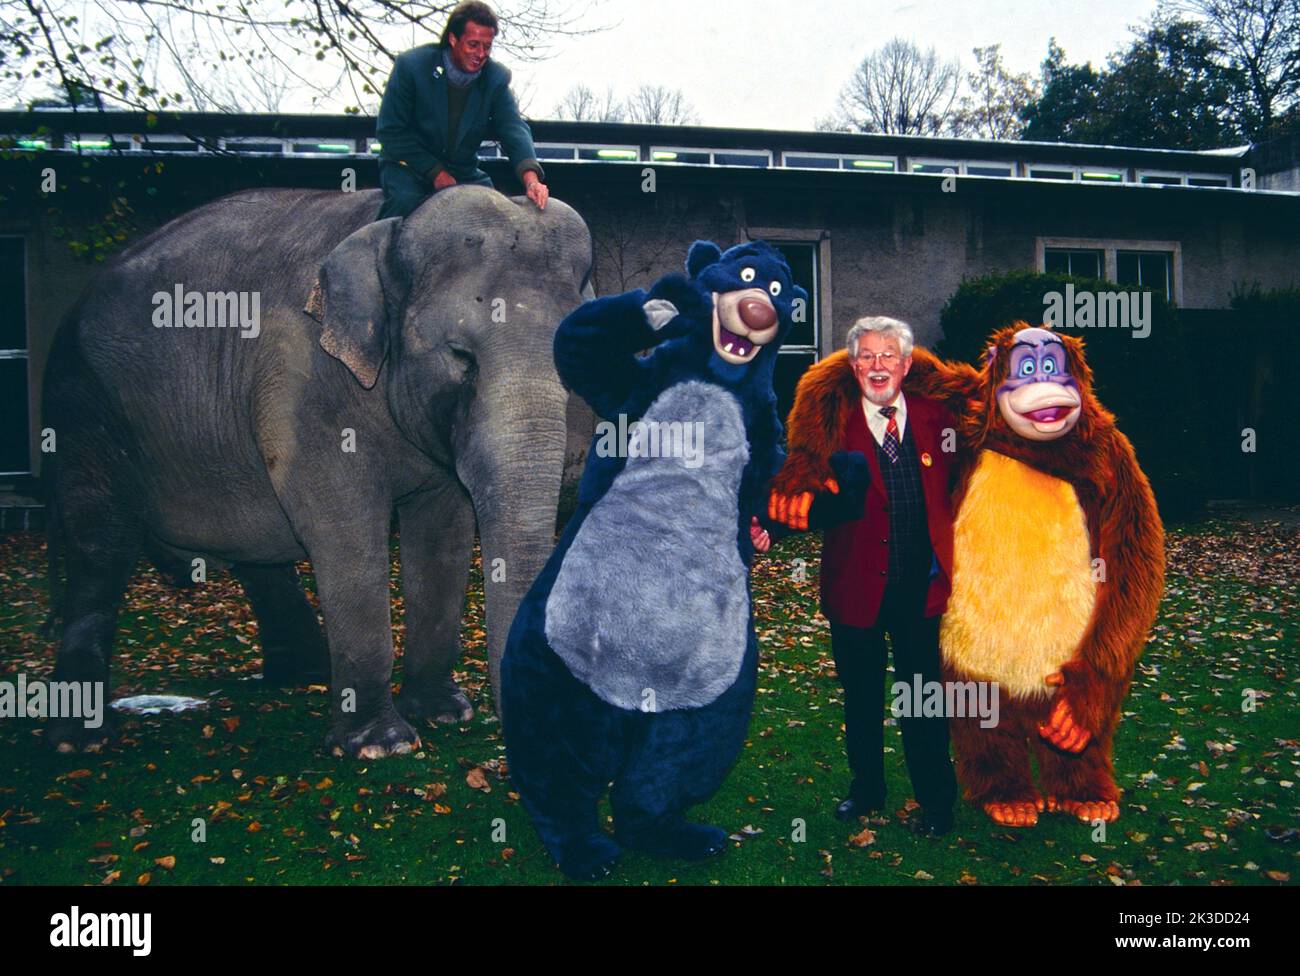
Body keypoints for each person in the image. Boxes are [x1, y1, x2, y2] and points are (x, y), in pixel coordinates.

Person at [769, 317, 959, 835]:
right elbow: (805, 490)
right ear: (854, 367)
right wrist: (773, 528)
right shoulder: (831, 424)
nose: (878, 366)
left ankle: (937, 802)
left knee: (923, 701)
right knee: (862, 699)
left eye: (888, 355)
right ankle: (867, 790)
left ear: (906, 363)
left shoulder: (938, 418)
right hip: (855, 589)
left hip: (921, 590)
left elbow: (967, 479)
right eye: (867, 357)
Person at [374, 1, 549, 219]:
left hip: (462, 172)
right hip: (408, 167)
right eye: (473, 44)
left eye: (487, 46)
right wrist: (435, 172)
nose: (481, 54)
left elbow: (513, 128)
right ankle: (380, 252)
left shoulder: (495, 78)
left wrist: (531, 180)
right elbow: (390, 131)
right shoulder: (411, 67)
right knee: (405, 204)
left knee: (495, 214)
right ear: (453, 39)